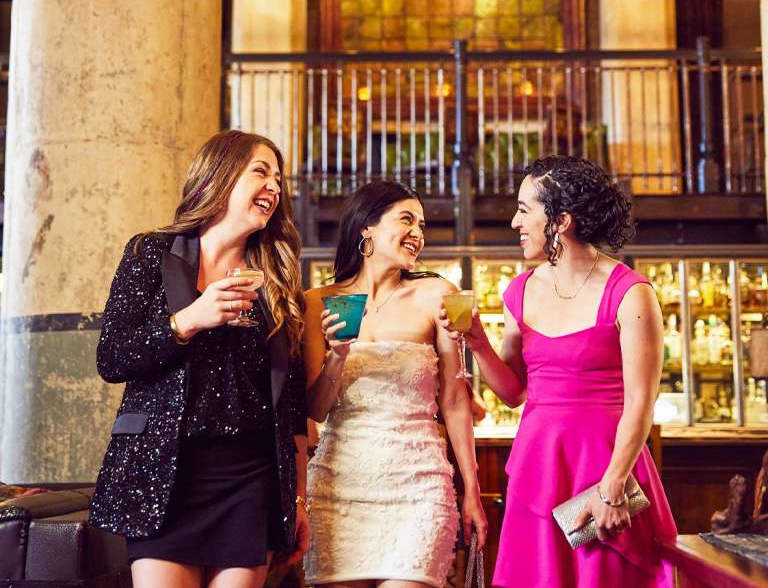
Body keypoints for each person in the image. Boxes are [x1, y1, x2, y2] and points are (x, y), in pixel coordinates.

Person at [89, 130, 309, 588]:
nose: (275, 186)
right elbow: (112, 358)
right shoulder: (150, 253)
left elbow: (291, 409)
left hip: (250, 479)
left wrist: (298, 500)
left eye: (279, 178)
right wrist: (188, 319)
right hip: (164, 475)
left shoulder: (278, 282)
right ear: (220, 176)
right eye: (261, 172)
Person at [446, 155, 676, 588]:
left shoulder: (631, 293)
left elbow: (641, 403)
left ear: (562, 220)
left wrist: (612, 486)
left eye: (524, 210)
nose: (514, 221)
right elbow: (513, 392)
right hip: (540, 465)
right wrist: (477, 341)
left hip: (606, 466)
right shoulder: (519, 290)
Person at [302, 180, 488, 588]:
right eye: (406, 219)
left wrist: (471, 490)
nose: (417, 233)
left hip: (419, 487)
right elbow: (314, 410)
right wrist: (337, 355)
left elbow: (456, 401)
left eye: (421, 224)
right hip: (338, 486)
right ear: (365, 228)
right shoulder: (317, 302)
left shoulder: (436, 295)